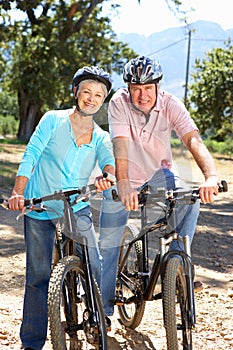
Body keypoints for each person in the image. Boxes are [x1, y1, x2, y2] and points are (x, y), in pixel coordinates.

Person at [99, 55, 219, 319]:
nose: (142, 95)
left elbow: (192, 139)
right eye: (136, 89)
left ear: (158, 86)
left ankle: (177, 266)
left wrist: (210, 176)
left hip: (158, 175)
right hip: (125, 176)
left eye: (148, 88)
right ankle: (103, 313)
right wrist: (124, 184)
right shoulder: (119, 103)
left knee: (190, 198)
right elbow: (119, 145)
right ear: (128, 89)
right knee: (108, 243)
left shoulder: (171, 104)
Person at [8, 66, 115, 350]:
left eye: (98, 95)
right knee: (38, 278)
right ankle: (31, 343)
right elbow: (31, 154)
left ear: (102, 101)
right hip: (40, 205)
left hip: (76, 205)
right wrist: (18, 192)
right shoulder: (53, 120)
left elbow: (108, 162)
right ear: (76, 93)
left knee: (93, 261)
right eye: (86, 92)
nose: (91, 99)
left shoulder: (101, 136)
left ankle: (97, 316)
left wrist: (108, 176)